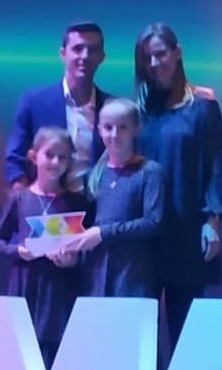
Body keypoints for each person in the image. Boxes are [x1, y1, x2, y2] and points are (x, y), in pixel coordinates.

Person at [132, 23, 222, 344]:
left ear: (177, 53)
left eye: (160, 54)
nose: (155, 63)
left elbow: (213, 166)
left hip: (186, 230)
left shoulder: (202, 107)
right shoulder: (140, 111)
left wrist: (212, 221)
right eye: (148, 58)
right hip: (145, 233)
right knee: (141, 335)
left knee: (186, 332)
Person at [0, 127, 88, 365]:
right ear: (34, 156)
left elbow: (86, 249)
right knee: (23, 352)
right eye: (50, 155)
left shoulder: (75, 201)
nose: (56, 162)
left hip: (59, 287)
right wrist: (18, 251)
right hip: (26, 283)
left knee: (57, 354)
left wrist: (73, 260)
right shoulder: (20, 198)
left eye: (63, 156)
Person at [61, 99, 164, 298]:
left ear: (137, 129)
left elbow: (153, 223)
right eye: (108, 127)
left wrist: (103, 233)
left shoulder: (150, 172)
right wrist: (69, 253)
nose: (114, 135)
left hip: (133, 277)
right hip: (95, 277)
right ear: (99, 129)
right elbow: (84, 227)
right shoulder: (93, 176)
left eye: (123, 127)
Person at [3, 22, 111, 190]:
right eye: (78, 49)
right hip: (46, 208)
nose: (85, 56)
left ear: (102, 57)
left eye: (93, 50)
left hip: (98, 210)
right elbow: (15, 158)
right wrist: (26, 201)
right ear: (62, 54)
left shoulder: (112, 109)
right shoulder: (34, 101)